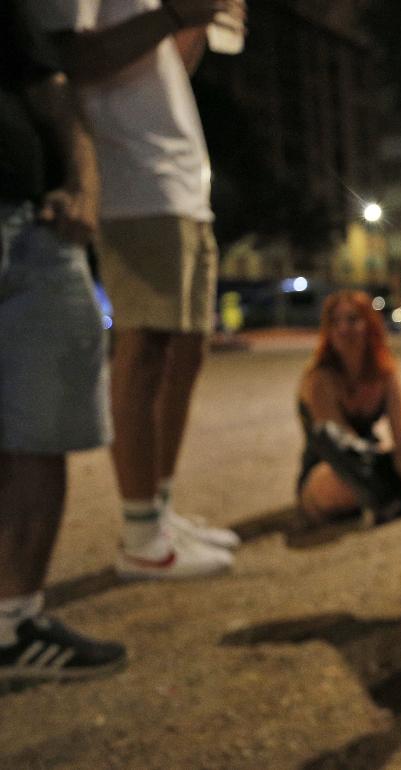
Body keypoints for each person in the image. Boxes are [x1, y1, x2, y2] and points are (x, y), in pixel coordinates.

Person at [34, 0, 245, 579]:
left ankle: (161, 510)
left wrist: (196, 21)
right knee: (145, 346)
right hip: (134, 176)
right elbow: (65, 55)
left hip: (180, 178)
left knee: (184, 349)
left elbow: (163, 65)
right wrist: (173, 13)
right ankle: (139, 533)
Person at [0, 0, 126, 682]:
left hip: (33, 225)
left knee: (38, 429)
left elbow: (49, 87)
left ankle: (12, 623)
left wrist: (86, 183)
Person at [297, 290, 401, 523]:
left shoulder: (385, 373)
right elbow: (342, 446)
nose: (342, 329)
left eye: (352, 319)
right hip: (330, 468)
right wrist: (397, 464)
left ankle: (389, 493)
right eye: (334, 322)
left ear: (370, 325)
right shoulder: (319, 378)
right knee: (339, 487)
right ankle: (395, 493)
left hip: (375, 460)